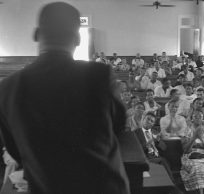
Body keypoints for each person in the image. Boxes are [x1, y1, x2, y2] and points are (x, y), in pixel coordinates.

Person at [0, 2, 129, 194]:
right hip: (102, 186)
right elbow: (118, 126)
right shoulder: (99, 75)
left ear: (35, 34)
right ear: (77, 38)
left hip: (47, 187)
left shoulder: (8, 88)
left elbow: (16, 150)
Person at [180, 110, 204, 193]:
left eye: (200, 117)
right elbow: (186, 150)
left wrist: (203, 141)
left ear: (203, 119)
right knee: (197, 168)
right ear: (191, 119)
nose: (198, 118)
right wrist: (194, 137)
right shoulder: (187, 130)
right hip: (190, 155)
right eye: (195, 117)